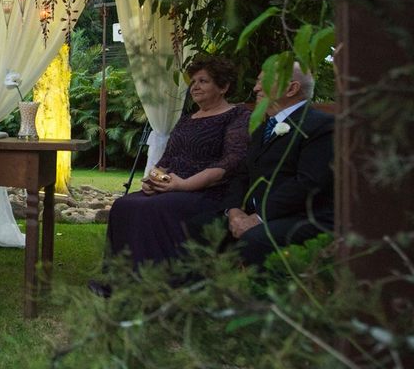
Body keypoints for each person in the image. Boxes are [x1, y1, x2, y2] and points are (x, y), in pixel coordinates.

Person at [106, 56, 250, 267]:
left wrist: (183, 185)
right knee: (123, 205)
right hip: (171, 186)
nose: (195, 87)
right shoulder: (187, 120)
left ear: (224, 86)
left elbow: (229, 164)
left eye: (203, 81)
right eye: (193, 82)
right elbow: (167, 159)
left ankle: (158, 279)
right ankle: (121, 278)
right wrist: (151, 180)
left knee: (155, 207)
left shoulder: (237, 116)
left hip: (207, 192)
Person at [223, 62, 334, 265]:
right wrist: (233, 210)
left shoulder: (320, 126)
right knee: (200, 224)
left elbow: (308, 183)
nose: (256, 88)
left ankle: (257, 296)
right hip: (258, 214)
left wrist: (258, 218)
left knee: (255, 239)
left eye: (263, 81)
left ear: (292, 88)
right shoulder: (264, 127)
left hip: (303, 217)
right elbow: (243, 174)